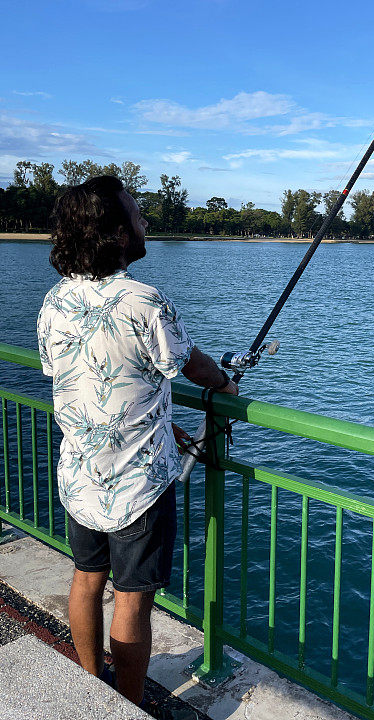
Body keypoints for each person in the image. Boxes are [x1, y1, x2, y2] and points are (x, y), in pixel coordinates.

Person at [36, 175, 238, 713]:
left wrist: (155, 418)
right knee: (132, 599)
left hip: (81, 473)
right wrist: (223, 383)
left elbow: (83, 378)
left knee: (85, 578)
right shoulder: (145, 300)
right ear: (118, 234)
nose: (145, 222)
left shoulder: (54, 301)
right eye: (137, 214)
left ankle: (89, 684)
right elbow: (187, 364)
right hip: (137, 483)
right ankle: (125, 705)